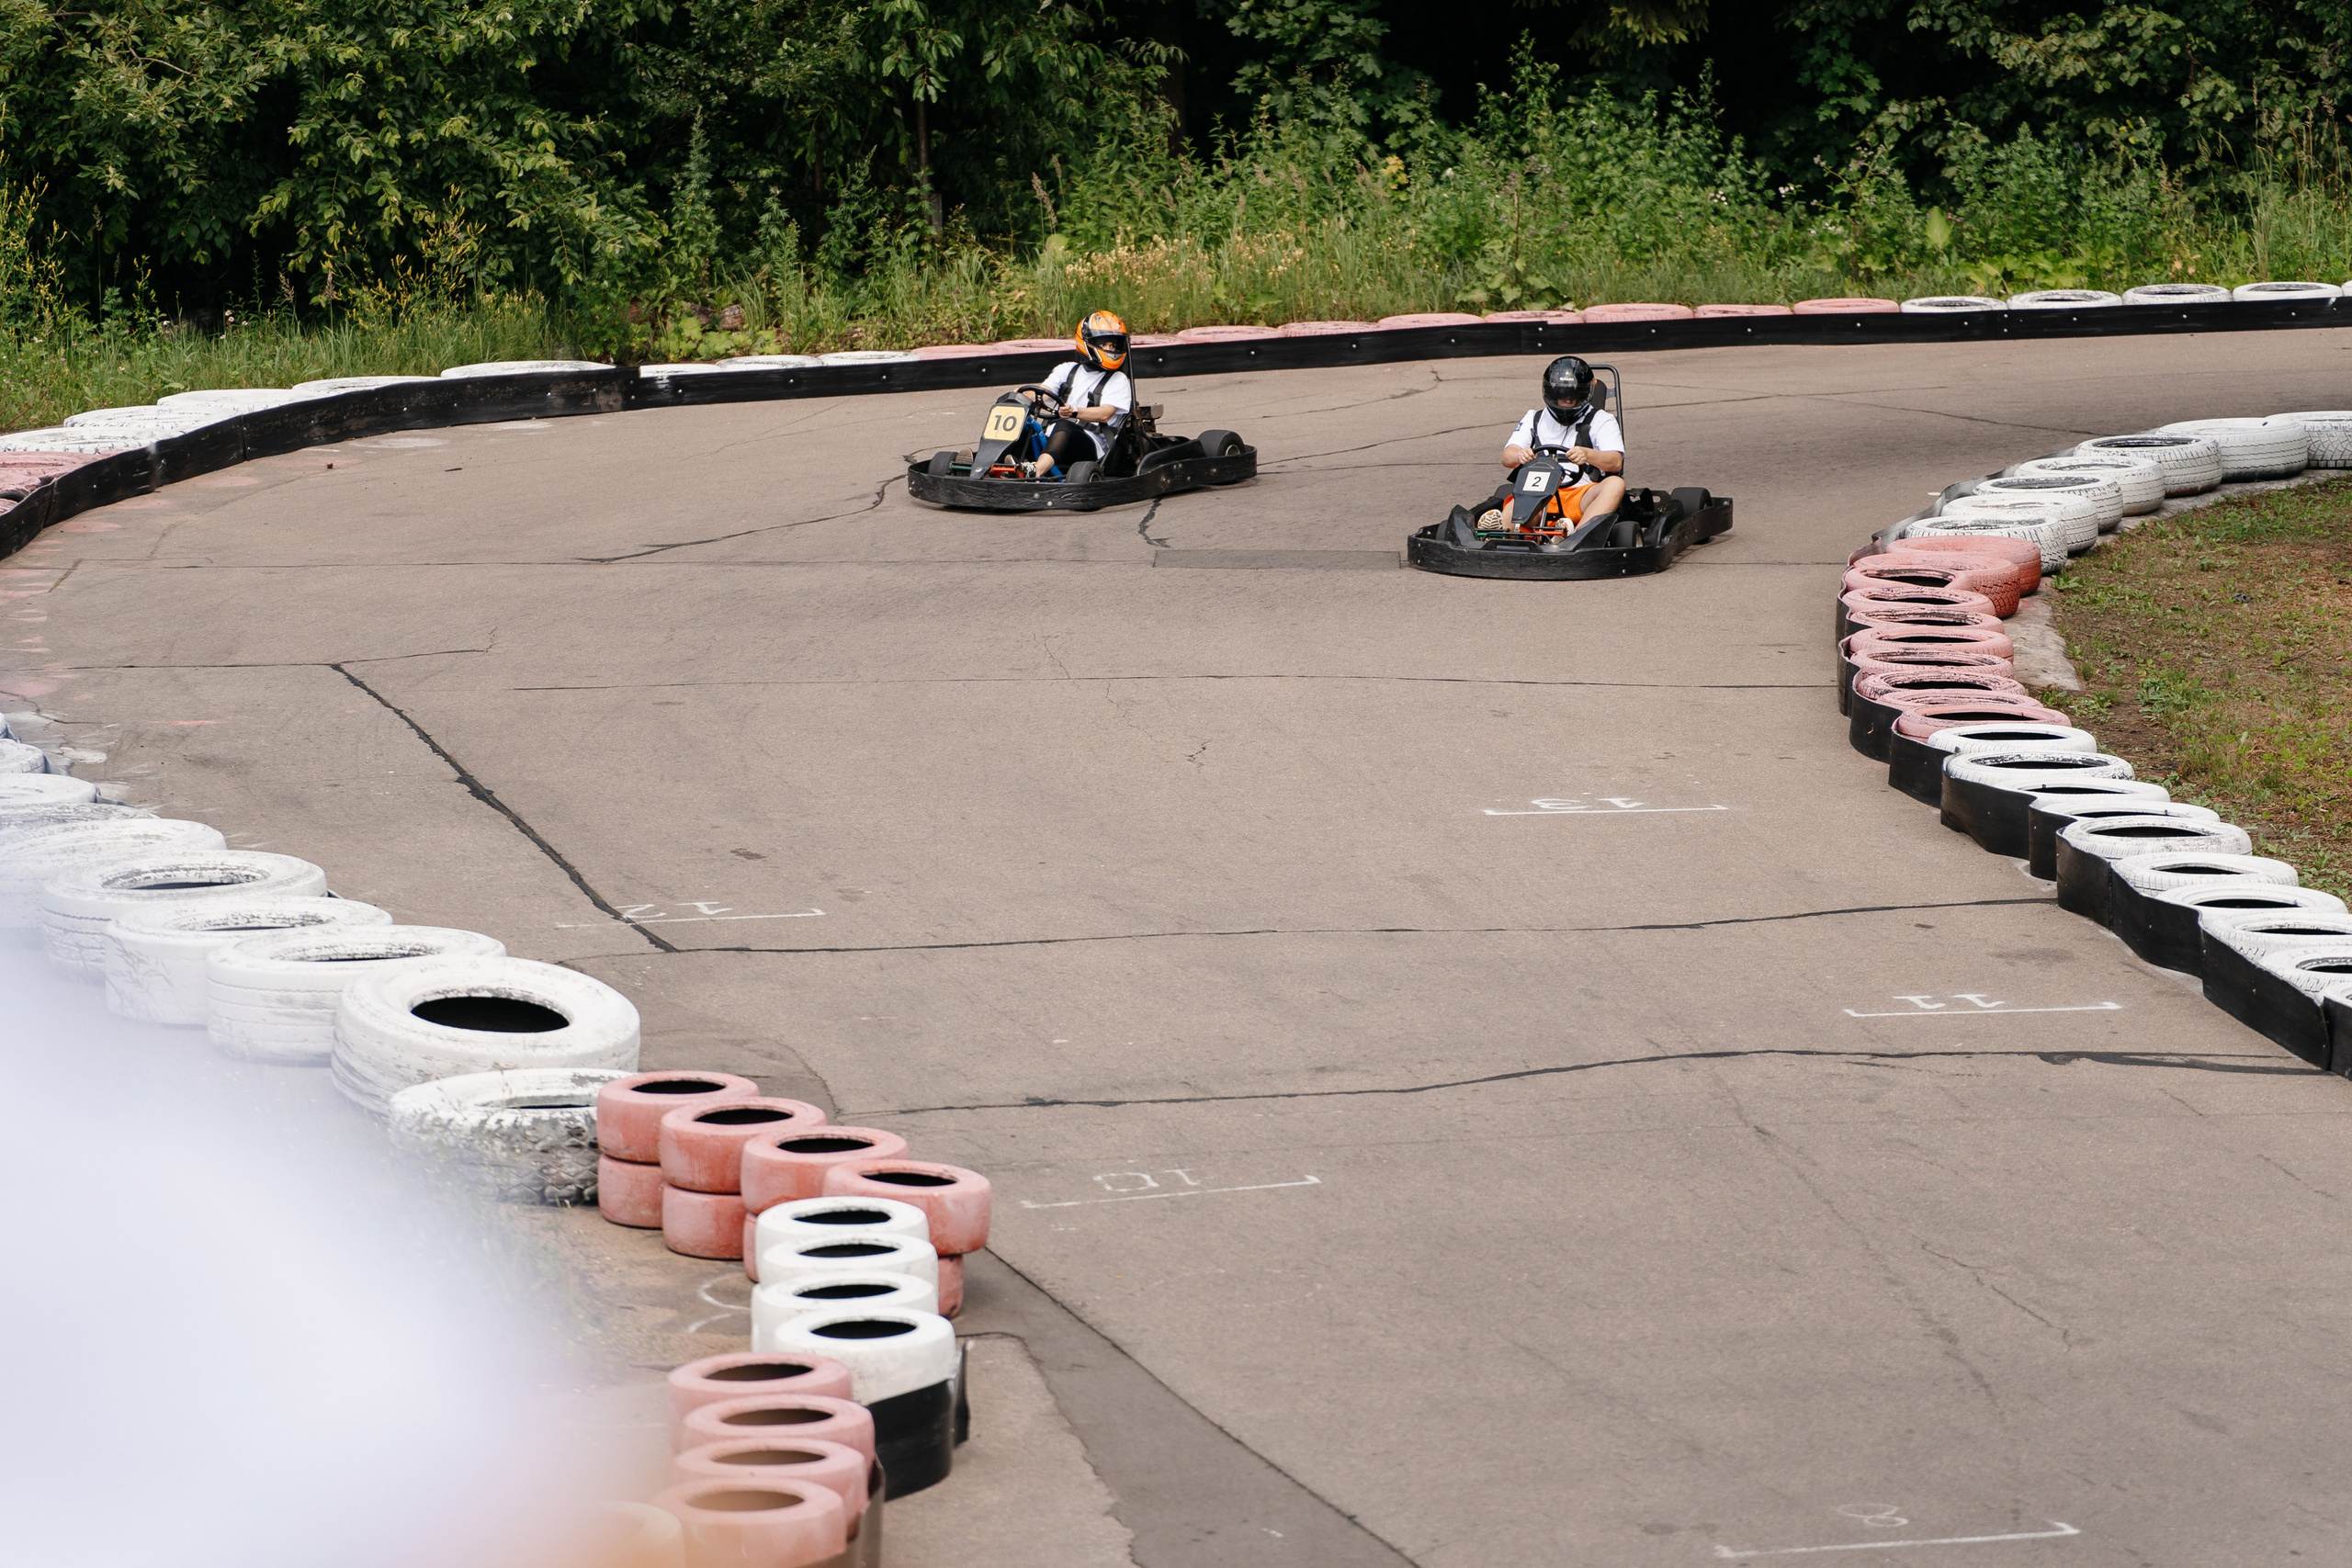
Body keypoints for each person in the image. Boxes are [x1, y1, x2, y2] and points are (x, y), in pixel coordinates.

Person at [1496, 355, 1625, 533]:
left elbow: (1615, 462)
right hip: (1538, 496)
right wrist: (1520, 455)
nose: (1568, 401)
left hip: (1582, 494)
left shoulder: (1602, 420)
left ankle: (1578, 536)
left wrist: (1588, 455)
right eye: (1563, 396)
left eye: (1573, 397)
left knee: (1615, 484)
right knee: (1514, 508)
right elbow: (1507, 457)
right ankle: (1501, 534)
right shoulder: (1535, 418)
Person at [1020, 310, 1136, 479]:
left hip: (1091, 445)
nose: (1110, 349)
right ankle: (989, 466)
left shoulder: (1118, 380)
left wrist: (1074, 412)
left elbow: (1105, 414)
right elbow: (1043, 393)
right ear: (1087, 343)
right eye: (1104, 345)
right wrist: (1018, 395)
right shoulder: (1067, 370)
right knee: (1023, 428)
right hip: (1052, 438)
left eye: (1113, 345)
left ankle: (1036, 471)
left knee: (1065, 425)